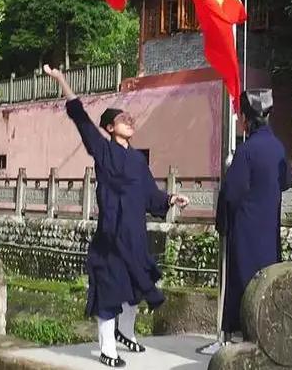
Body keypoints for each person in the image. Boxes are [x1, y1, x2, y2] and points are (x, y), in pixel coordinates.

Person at [44, 65, 189, 368]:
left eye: (129, 118)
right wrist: (62, 81)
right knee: (110, 292)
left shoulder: (138, 159)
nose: (129, 121)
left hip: (135, 235)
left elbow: (151, 194)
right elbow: (81, 118)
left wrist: (171, 198)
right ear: (109, 128)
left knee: (137, 287)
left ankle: (126, 333)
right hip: (111, 236)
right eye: (122, 119)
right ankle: (108, 348)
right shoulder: (102, 151)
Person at [216, 89, 292, 337]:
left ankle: (238, 334)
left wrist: (223, 219)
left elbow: (232, 193)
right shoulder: (278, 148)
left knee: (243, 282)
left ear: (248, 121)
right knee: (267, 281)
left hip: (246, 231)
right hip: (269, 230)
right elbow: (286, 182)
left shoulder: (246, 151)